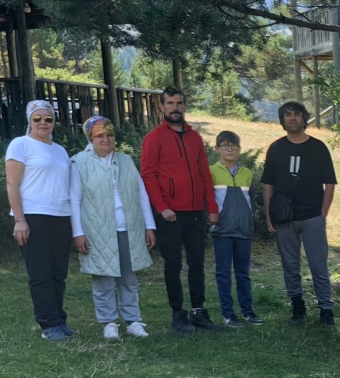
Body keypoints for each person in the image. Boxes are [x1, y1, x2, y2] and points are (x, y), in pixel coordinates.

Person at [139, 87, 221, 334]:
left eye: (179, 103)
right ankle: (178, 313)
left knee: (197, 263)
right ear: (162, 107)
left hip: (195, 211)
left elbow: (204, 174)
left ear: (185, 106)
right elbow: (148, 175)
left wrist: (212, 207)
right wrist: (162, 208)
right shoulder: (154, 137)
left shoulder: (195, 138)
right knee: (173, 264)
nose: (175, 107)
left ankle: (198, 310)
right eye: (170, 103)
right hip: (170, 214)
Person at [70, 115, 156, 340]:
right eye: (100, 135)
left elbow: (141, 194)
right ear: (91, 138)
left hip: (128, 228)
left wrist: (149, 226)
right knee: (103, 278)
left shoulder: (125, 160)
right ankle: (109, 322)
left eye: (109, 135)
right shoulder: (79, 162)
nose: (105, 139)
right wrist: (77, 232)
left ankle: (133, 320)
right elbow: (74, 199)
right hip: (97, 230)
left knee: (129, 277)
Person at [261, 101, 338, 325]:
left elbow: (330, 183)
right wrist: (268, 214)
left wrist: (323, 214)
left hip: (312, 216)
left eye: (297, 114)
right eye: (288, 115)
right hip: (284, 217)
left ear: (304, 119)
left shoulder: (317, 147)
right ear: (282, 120)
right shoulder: (276, 148)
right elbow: (267, 184)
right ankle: (297, 308)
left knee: (318, 265)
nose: (293, 118)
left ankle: (326, 310)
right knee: (290, 264)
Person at [5, 99, 76, 341]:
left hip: (60, 215)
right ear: (29, 120)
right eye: (38, 119)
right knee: (40, 272)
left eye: (48, 119)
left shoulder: (60, 150)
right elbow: (12, 184)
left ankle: (60, 319)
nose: (43, 123)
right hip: (33, 216)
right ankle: (48, 324)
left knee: (58, 272)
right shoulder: (21, 145)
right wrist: (19, 220)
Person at [210, 131, 262, 325]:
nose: (229, 149)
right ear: (217, 149)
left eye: (233, 145)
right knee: (223, 273)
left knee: (243, 273)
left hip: (243, 230)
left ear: (239, 149)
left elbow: (252, 202)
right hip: (221, 231)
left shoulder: (247, 174)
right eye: (225, 145)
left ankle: (248, 311)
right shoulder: (211, 171)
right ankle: (228, 313)